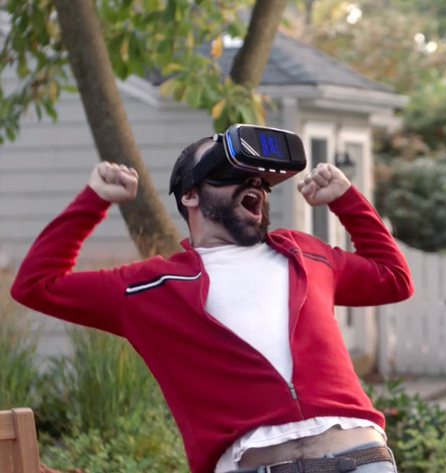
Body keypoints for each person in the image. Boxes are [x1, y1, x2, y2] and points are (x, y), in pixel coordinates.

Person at [10, 136, 414, 473]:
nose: (252, 182)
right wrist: (94, 200)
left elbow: (394, 279)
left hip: (361, 460)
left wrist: (346, 200)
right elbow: (36, 285)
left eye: (258, 178)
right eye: (231, 173)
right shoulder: (151, 286)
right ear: (190, 194)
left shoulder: (305, 253)